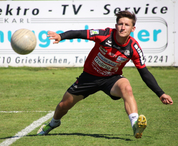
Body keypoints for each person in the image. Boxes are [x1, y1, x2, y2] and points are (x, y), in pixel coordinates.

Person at [37, 10, 173, 138]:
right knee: (62, 106)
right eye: (120, 24)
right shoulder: (105, 34)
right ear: (116, 25)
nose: (123, 27)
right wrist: (61, 36)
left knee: (127, 88)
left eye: (127, 25)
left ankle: (135, 125)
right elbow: (80, 33)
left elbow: (144, 72)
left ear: (133, 29)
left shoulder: (133, 48)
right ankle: (54, 123)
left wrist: (160, 93)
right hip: (89, 78)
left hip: (111, 79)